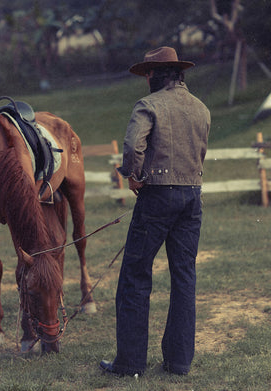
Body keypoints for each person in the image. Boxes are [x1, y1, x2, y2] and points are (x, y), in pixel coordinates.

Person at [99, 46, 210, 377]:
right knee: (184, 277)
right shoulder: (201, 108)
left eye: (148, 73)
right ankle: (178, 363)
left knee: (135, 276)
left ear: (156, 74)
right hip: (192, 197)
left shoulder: (148, 105)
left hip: (157, 197)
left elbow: (134, 146)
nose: (146, 78)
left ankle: (130, 363)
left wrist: (133, 175)